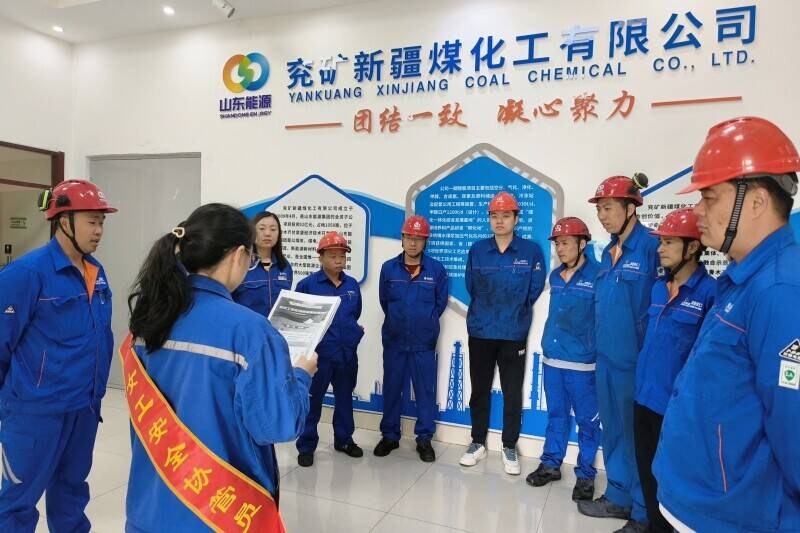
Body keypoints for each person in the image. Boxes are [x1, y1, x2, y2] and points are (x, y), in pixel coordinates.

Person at [124, 203, 316, 532]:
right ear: (239, 254)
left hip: (149, 508)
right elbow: (278, 425)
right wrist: (301, 375)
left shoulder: (147, 320)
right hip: (219, 513)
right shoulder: (250, 331)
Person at [654, 116, 800, 532]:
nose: (698, 211)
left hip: (729, 517)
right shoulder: (743, 278)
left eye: (709, 197)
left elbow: (793, 428)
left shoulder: (781, 291)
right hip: (698, 503)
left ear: (756, 202)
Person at [0, 180, 117, 532]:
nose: (98, 231)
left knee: (72, 493)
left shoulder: (96, 272)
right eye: (91, 222)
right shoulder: (26, 273)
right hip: (35, 411)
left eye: (101, 222)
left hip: (84, 406)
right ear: (64, 221)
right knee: (18, 501)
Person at [578, 174, 658, 533]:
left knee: (638, 437)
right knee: (612, 430)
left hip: (636, 363)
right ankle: (618, 495)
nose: (603, 216)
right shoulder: (607, 251)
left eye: (609, 208)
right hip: (606, 359)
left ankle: (641, 511)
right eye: (600, 209)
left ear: (631, 208)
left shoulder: (651, 248)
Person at [633, 208, 715, 532]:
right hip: (643, 399)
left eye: (669, 242)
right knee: (647, 476)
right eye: (660, 242)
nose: (660, 249)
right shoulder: (657, 288)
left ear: (692, 247)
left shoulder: (710, 293)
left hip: (674, 410)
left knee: (672, 487)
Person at [459, 191, 546, 475]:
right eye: (494, 216)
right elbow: (471, 285)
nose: (499, 221)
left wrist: (514, 310)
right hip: (481, 330)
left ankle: (509, 445)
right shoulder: (478, 250)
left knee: (512, 392)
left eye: (506, 216)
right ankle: (477, 442)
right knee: (479, 390)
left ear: (516, 219)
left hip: (513, 332)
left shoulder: (531, 251)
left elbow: (534, 289)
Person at [526, 217, 601, 502]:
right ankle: (550, 464)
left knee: (587, 421)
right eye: (557, 244)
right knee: (556, 415)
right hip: (553, 360)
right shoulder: (556, 276)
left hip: (583, 364)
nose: (560, 249)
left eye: (566, 243)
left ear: (582, 244)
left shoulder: (598, 275)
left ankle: (586, 475)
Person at [374, 215, 448, 462]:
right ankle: (390, 436)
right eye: (409, 237)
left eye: (418, 238)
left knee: (425, 392)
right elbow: (385, 302)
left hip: (423, 342)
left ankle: (424, 438)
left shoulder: (436, 270)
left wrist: (424, 322)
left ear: (425, 241)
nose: (413, 243)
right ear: (402, 238)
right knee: (392, 388)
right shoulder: (388, 269)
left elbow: (439, 304)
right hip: (394, 340)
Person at [295, 231, 365, 467]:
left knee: (345, 398)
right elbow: (300, 319)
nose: (338, 261)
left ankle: (344, 440)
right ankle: (306, 445)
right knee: (312, 401)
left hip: (347, 354)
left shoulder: (351, 285)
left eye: (342, 256)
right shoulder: (307, 285)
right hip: (319, 356)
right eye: (333, 256)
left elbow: (355, 313)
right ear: (321, 257)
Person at [233, 211, 293, 317]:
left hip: (275, 326)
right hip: (247, 325)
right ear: (252, 232)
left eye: (273, 229)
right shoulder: (241, 264)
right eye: (262, 228)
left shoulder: (285, 266)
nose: (267, 233)